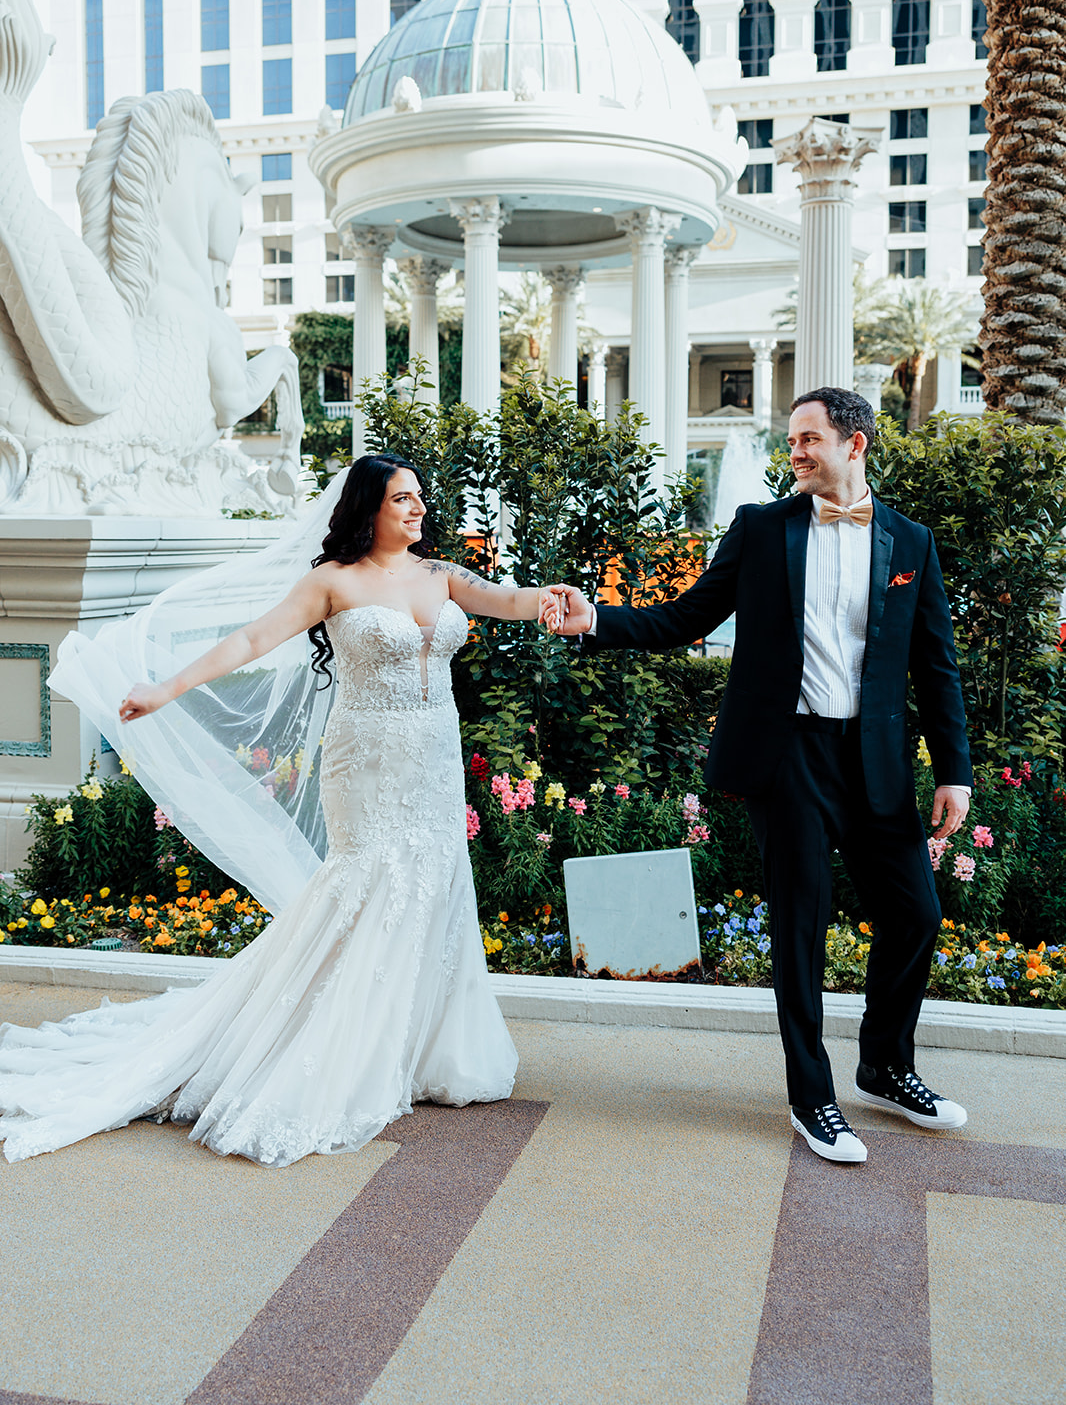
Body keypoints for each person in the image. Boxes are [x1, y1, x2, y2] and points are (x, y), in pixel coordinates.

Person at [0, 453, 566, 1167]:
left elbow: (508, 599)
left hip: (433, 758)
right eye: (402, 499)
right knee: (367, 885)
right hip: (366, 761)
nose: (418, 509)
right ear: (370, 508)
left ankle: (425, 1050)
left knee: (435, 883)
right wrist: (165, 689)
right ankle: (335, 1051)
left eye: (421, 498)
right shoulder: (333, 581)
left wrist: (550, 598)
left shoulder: (440, 574)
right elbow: (251, 640)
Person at [545, 388, 972, 1165]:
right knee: (801, 928)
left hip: (874, 760)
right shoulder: (762, 529)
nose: (796, 452)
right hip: (789, 758)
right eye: (792, 440)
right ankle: (813, 1097)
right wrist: (598, 620)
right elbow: (687, 617)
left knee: (916, 913)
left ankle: (885, 1064)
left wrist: (955, 772)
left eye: (810, 438)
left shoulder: (911, 542)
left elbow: (935, 666)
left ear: (856, 444)